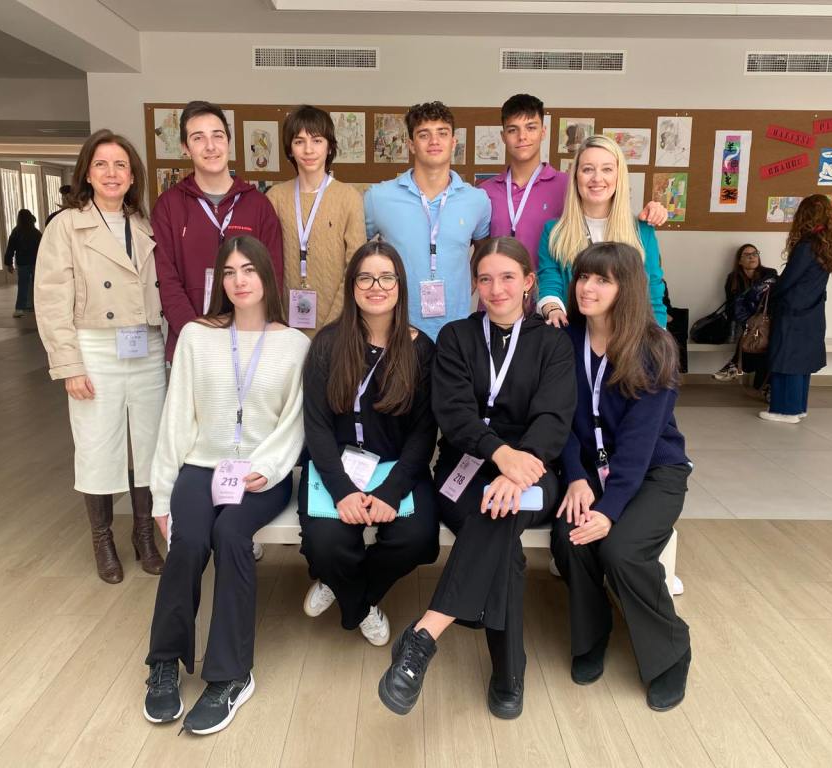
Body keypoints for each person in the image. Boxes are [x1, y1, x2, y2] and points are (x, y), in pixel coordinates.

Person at [378, 237, 576, 720]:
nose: (496, 288)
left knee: (500, 512)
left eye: (507, 277)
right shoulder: (456, 337)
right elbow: (453, 412)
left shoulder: (552, 343)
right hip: (464, 468)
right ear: (475, 285)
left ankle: (424, 634)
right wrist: (500, 455)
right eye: (485, 279)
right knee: (501, 534)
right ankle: (509, 673)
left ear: (529, 282)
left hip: (534, 469)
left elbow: (554, 417)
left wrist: (518, 467)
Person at [143, 235, 309, 734]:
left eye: (249, 270)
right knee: (188, 541)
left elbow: (295, 423)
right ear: (220, 281)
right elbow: (176, 419)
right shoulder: (197, 337)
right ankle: (164, 662)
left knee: (232, 535)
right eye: (230, 272)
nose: (240, 281)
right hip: (202, 465)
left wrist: (271, 467)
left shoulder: (294, 344)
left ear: (267, 276)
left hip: (262, 473)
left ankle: (231, 675)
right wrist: (161, 494)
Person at [551, 240, 693, 712]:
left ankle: (671, 648)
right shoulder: (564, 340)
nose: (587, 288)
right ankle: (592, 636)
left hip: (653, 471)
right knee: (570, 536)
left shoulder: (654, 347)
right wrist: (575, 476)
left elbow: (639, 445)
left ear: (626, 288)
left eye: (602, 280)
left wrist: (609, 511)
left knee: (622, 550)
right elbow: (558, 419)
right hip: (588, 471)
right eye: (583, 277)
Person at [35, 129, 166, 583]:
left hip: (146, 343)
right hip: (95, 344)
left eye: (121, 165)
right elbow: (51, 299)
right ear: (87, 174)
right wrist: (69, 365)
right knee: (97, 443)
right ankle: (103, 539)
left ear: (133, 175)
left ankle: (145, 534)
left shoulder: (145, 224)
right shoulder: (66, 226)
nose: (112, 173)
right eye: (102, 165)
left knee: (150, 443)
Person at [299, 241, 439, 645]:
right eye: (365, 277)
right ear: (352, 286)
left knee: (418, 538)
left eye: (386, 277)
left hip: (397, 467)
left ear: (400, 285)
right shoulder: (327, 344)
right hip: (334, 467)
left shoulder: (421, 350)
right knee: (326, 544)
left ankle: (345, 587)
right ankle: (356, 598)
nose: (376, 286)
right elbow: (317, 427)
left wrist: (392, 491)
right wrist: (342, 491)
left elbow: (423, 433)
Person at [153, 100, 284, 360]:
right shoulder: (169, 206)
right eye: (198, 138)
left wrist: (251, 333)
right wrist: (195, 334)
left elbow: (272, 276)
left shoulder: (258, 205)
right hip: (191, 344)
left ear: (229, 142)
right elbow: (166, 281)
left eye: (217, 136)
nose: (210, 146)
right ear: (185, 147)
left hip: (250, 343)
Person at [481, 94, 668, 266]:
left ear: (543, 132)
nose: (522, 137)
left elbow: (609, 215)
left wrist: (653, 211)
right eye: (513, 130)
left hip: (557, 289)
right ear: (503, 136)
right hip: (501, 291)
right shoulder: (483, 193)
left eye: (531, 128)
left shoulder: (570, 185)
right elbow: (477, 250)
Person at [364, 101, 491, 340]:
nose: (434, 141)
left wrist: (472, 279)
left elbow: (483, 247)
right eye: (424, 135)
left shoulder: (477, 200)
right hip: (397, 329)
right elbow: (355, 250)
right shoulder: (378, 198)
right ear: (411, 145)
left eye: (442, 133)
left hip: (456, 328)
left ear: (453, 142)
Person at [537, 135, 668, 328]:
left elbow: (653, 294)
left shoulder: (642, 231)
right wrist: (553, 309)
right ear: (575, 176)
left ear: (618, 176)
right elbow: (549, 280)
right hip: (573, 336)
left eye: (607, 169)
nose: (597, 178)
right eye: (587, 169)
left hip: (627, 337)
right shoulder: (554, 231)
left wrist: (658, 337)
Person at [266, 105, 367, 335]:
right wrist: (279, 320)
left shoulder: (349, 197)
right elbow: (267, 265)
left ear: (329, 147)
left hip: (337, 327)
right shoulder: (275, 198)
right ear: (289, 149)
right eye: (299, 141)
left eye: (317, 140)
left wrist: (332, 325)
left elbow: (355, 266)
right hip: (283, 326)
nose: (308, 149)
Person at [760, 194, 832, 423]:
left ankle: (785, 410)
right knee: (802, 361)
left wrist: (771, 292)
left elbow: (788, 280)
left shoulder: (806, 246)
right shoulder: (827, 244)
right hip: (813, 311)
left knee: (786, 359)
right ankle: (799, 406)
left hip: (792, 311)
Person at [712, 243, 778, 385]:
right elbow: (732, 305)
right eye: (747, 255)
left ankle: (736, 366)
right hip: (745, 322)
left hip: (769, 320)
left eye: (755, 254)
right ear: (739, 261)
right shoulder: (733, 278)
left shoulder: (769, 274)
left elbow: (772, 300)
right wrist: (747, 321)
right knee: (752, 334)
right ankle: (760, 384)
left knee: (760, 336)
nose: (752, 257)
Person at [4, 208, 41, 318]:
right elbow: (42, 248)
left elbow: (10, 248)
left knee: (22, 285)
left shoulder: (16, 232)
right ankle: (38, 306)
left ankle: (19, 308)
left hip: (22, 263)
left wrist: (9, 263)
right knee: (37, 285)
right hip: (35, 262)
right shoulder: (36, 232)